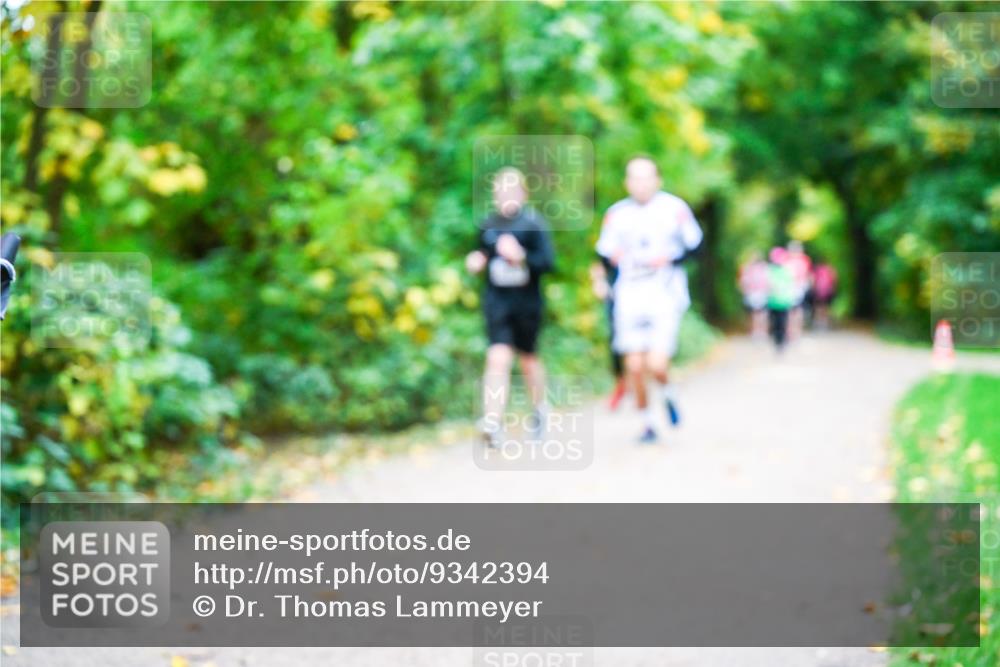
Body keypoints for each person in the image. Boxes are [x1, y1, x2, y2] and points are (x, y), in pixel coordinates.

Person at [596, 156, 703, 444]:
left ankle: (668, 392)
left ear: (657, 179)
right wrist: (601, 280)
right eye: (634, 178)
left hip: (663, 294)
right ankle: (648, 423)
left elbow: (695, 247)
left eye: (646, 177)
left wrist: (668, 260)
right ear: (627, 182)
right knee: (633, 366)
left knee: (656, 363)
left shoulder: (674, 209)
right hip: (629, 296)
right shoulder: (617, 214)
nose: (640, 184)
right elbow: (604, 254)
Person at [466, 167, 555, 448]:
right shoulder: (487, 225)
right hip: (498, 303)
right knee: (498, 357)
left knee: (528, 360)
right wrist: (476, 261)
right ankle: (492, 421)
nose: (506, 196)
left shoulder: (533, 224)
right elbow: (483, 253)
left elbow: (548, 263)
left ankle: (540, 410)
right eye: (500, 191)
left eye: (511, 190)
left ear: (523, 193)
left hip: (527, 304)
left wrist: (521, 257)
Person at [590, 234, 627, 411]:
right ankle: (621, 386)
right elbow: (598, 262)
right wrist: (599, 283)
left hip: (645, 297)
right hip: (615, 297)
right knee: (616, 344)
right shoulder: (615, 227)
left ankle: (640, 388)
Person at [766, 246, 797, 353]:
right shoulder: (769, 269)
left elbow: (791, 285)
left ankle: (781, 342)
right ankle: (777, 341)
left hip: (784, 301)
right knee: (775, 323)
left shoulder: (786, 270)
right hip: (773, 301)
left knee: (783, 322)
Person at [737, 250, 769, 340]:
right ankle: (756, 332)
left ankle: (761, 332)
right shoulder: (748, 268)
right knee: (755, 314)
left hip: (760, 294)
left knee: (761, 314)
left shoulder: (763, 268)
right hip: (753, 294)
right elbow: (743, 281)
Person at [784, 240, 812, 341]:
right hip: (793, 289)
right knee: (795, 311)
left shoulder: (801, 260)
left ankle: (794, 332)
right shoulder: (803, 260)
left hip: (797, 289)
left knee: (795, 311)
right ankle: (793, 332)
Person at [811, 260, 838, 330]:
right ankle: (824, 323)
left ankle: (818, 322)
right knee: (826, 307)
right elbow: (834, 279)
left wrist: (814, 288)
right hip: (828, 292)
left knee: (818, 307)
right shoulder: (830, 269)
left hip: (818, 291)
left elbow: (813, 280)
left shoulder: (817, 270)